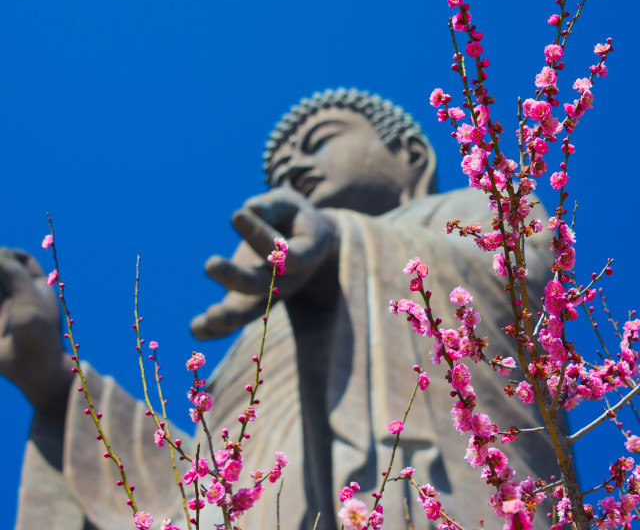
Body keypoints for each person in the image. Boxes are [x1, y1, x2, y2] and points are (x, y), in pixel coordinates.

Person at [1, 88, 555, 530]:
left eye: (318, 141)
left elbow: (524, 279)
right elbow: (200, 479)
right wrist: (55, 386)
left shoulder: (464, 212)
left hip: (424, 481)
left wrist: (342, 243)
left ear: (410, 155)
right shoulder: (261, 324)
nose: (293, 165)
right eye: (279, 169)